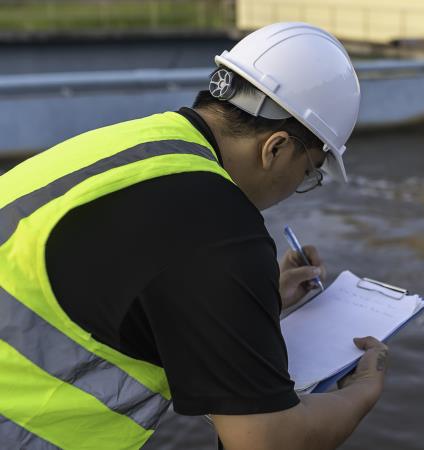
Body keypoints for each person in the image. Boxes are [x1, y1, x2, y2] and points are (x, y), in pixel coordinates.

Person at [0, 22, 389, 450]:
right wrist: (362, 391)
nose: (300, 184)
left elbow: (118, 282)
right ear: (275, 148)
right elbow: (265, 440)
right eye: (309, 172)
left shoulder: (136, 142)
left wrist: (257, 301)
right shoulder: (220, 231)